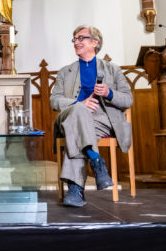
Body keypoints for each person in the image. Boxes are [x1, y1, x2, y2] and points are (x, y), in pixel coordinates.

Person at [50, 26, 133, 207]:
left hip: (102, 121)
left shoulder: (113, 70)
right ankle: (95, 159)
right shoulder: (65, 72)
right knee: (79, 111)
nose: (76, 42)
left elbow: (128, 99)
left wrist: (109, 93)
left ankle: (75, 189)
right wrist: (79, 103)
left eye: (81, 38)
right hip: (69, 117)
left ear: (95, 42)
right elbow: (54, 100)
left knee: (76, 133)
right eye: (74, 39)